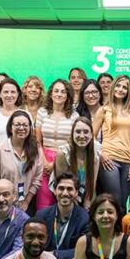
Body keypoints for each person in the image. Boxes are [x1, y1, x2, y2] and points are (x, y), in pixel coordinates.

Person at [94, 75, 130, 209]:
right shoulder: (104, 109)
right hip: (109, 159)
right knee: (115, 200)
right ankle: (117, 230)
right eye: (118, 85)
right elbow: (91, 137)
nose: (121, 89)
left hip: (128, 162)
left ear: (129, 91)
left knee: (124, 202)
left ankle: (122, 229)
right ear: (113, 87)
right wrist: (101, 154)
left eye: (125, 87)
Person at [35, 79, 78, 211]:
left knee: (61, 196)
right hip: (43, 158)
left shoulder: (74, 115)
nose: (59, 94)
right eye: (56, 91)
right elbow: (37, 140)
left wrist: (54, 164)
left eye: (63, 92)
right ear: (51, 94)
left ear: (67, 95)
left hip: (64, 158)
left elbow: (73, 143)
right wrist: (44, 161)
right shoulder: (42, 112)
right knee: (44, 200)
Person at [0, 111, 42, 214]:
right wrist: (5, 200)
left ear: (30, 128)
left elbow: (37, 180)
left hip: (27, 203)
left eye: (25, 125)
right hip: (2, 203)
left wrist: (26, 202)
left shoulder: (36, 149)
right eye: (17, 125)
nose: (21, 128)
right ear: (10, 128)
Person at [34, 173, 90, 259]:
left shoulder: (84, 218)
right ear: (55, 191)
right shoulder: (41, 215)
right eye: (61, 188)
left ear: (76, 193)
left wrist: (56, 255)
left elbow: (84, 248)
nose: (65, 193)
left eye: (69, 189)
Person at [53, 117, 101, 206]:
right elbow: (62, 184)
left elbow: (92, 182)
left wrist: (88, 203)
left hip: (86, 191)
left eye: (86, 132)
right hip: (65, 193)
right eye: (78, 132)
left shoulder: (95, 150)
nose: (82, 136)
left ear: (91, 135)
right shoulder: (63, 153)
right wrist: (76, 207)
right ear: (72, 134)